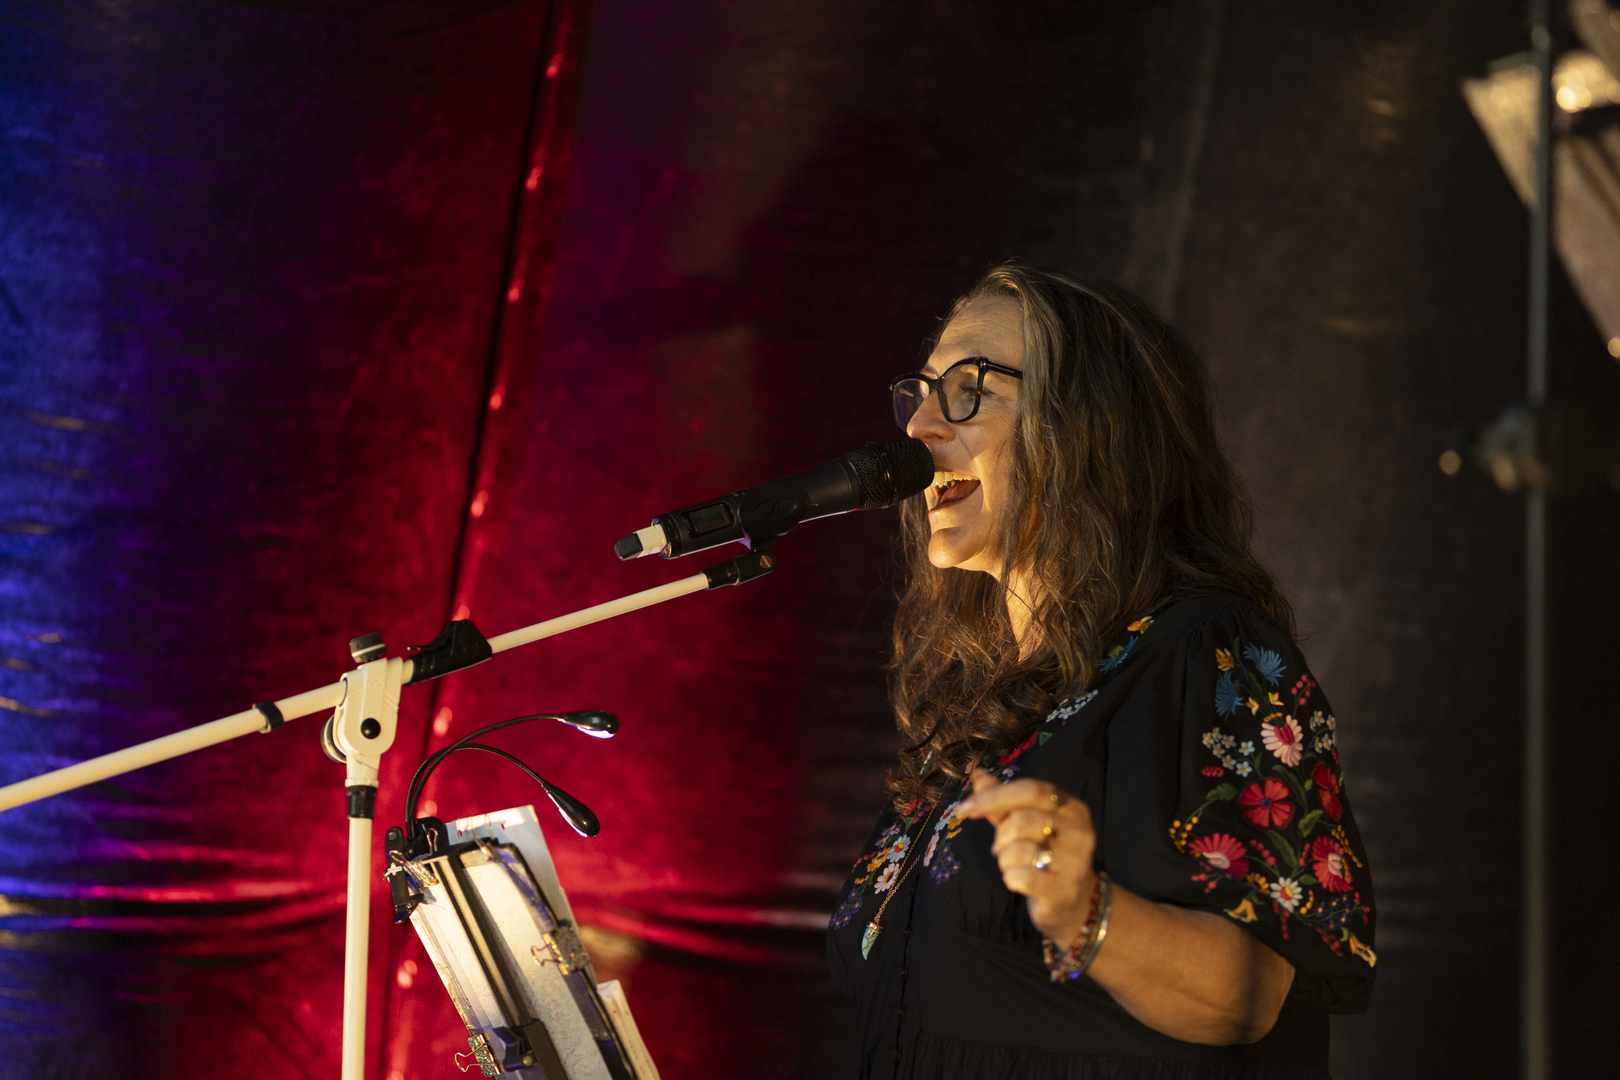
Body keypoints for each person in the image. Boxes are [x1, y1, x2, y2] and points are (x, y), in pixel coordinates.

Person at [826, 263, 1375, 1079]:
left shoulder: (1206, 650)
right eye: (924, 391)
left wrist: (1085, 910)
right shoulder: (987, 698)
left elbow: (1245, 997)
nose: (920, 428)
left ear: (1091, 423)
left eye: (970, 388)